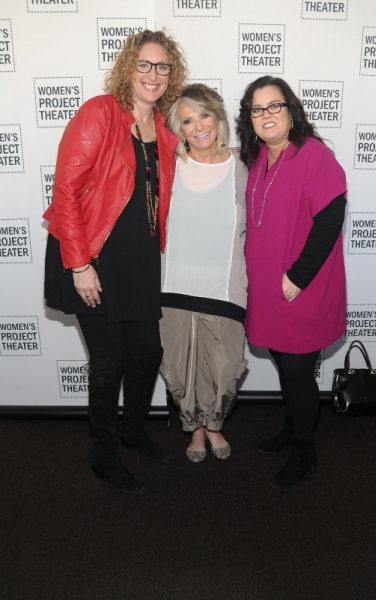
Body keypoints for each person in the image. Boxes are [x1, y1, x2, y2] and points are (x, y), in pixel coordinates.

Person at [43, 30, 188, 494]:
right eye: (144, 65)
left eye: (162, 67)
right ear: (129, 68)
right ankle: (103, 455)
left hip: (139, 262)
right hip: (92, 256)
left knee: (147, 352)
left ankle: (133, 429)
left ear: (172, 74)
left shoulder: (164, 129)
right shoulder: (100, 113)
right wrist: (80, 264)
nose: (153, 74)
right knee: (109, 361)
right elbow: (65, 190)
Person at [236, 76, 347, 488]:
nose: (266, 115)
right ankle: (291, 427)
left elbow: (330, 220)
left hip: (303, 284)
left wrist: (298, 277)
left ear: (291, 110)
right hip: (267, 284)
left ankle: (305, 450)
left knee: (299, 370)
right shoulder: (256, 157)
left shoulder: (314, 155)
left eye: (274, 106)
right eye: (257, 109)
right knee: (284, 363)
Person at [159, 84, 248, 462]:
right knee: (180, 365)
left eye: (204, 115)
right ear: (178, 130)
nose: (198, 126)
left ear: (218, 117)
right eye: (187, 120)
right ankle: (196, 430)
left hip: (225, 285)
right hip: (174, 284)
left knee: (225, 366)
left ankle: (215, 424)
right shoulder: (170, 166)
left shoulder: (243, 166)